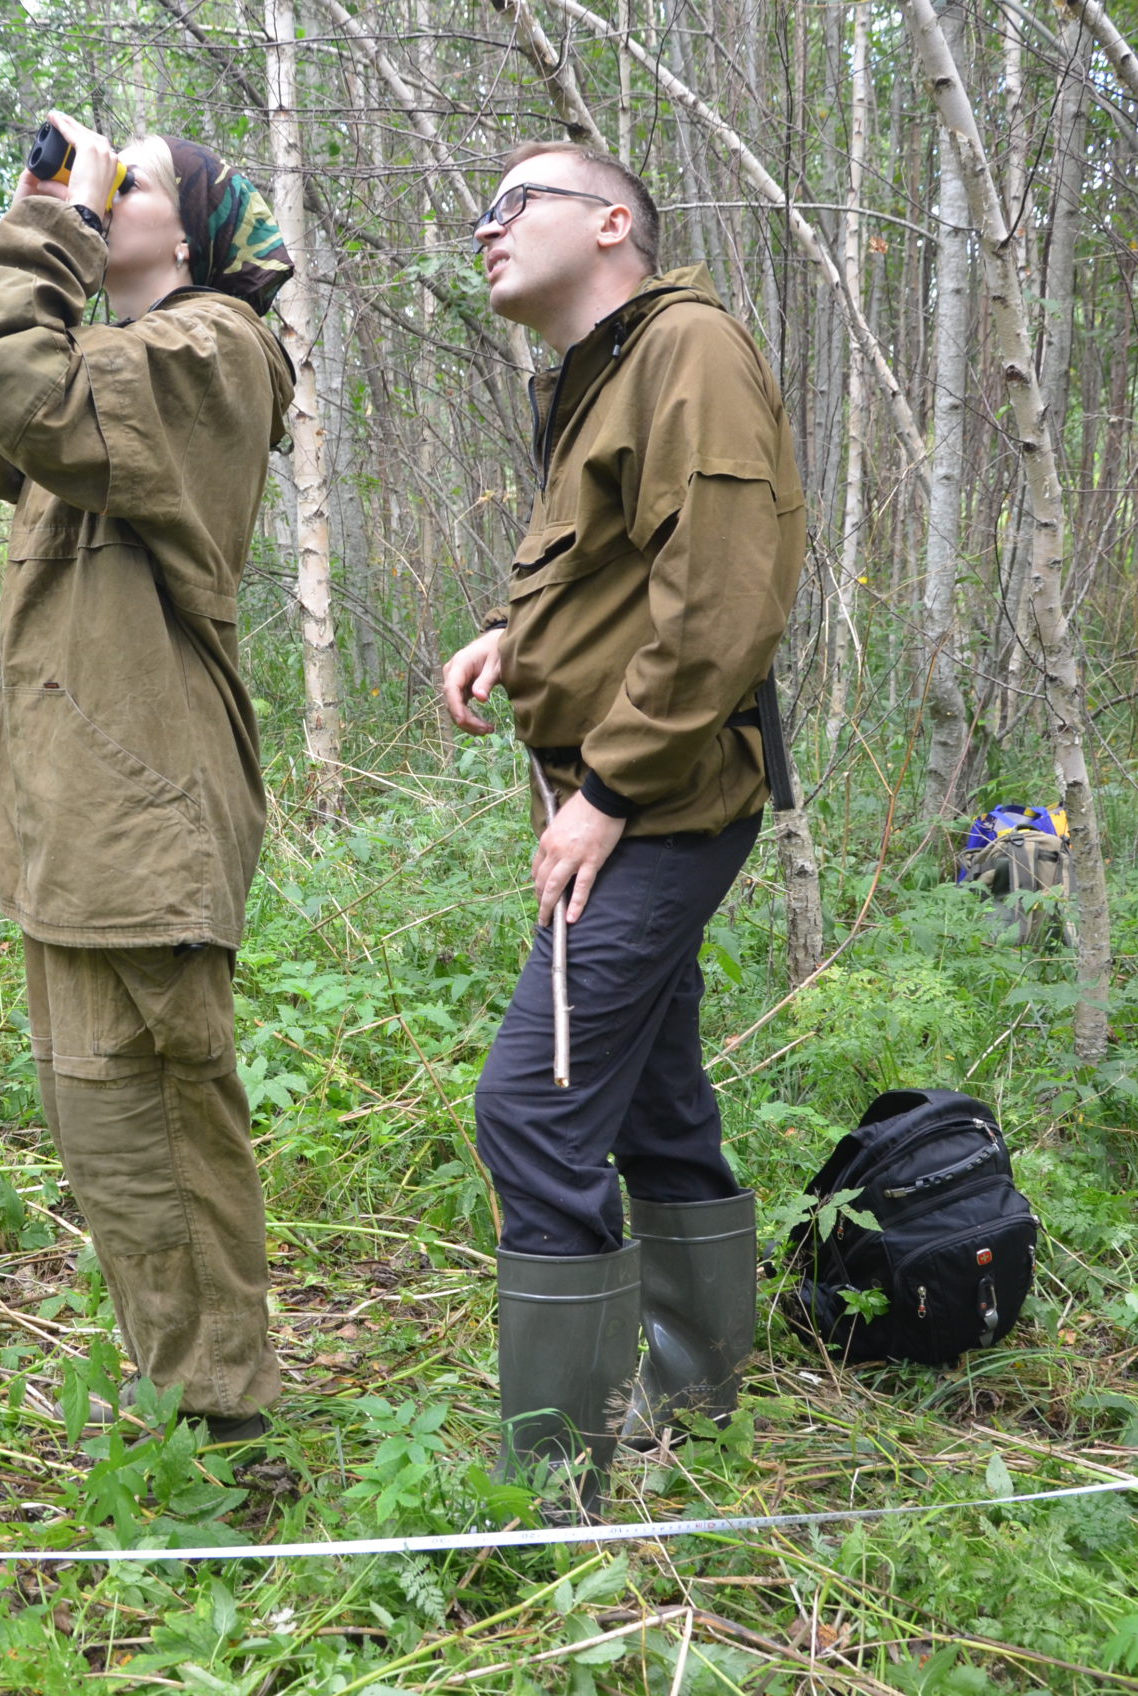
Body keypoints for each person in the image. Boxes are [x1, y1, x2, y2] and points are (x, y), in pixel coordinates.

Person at [0, 112, 295, 1448]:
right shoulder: (104, 358)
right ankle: (179, 1385)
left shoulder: (215, 352)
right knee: (109, 1130)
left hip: (149, 800)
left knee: (165, 1126)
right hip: (82, 809)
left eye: (134, 177)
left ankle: (218, 1413)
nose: (101, 189)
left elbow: (27, 392)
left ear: (185, 230)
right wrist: (37, 218)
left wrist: (52, 229)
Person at [441, 143, 804, 1513]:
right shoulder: (600, 374)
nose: (483, 228)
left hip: (659, 804)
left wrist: (608, 794)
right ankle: (693, 1393)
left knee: (530, 1111)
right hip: (633, 795)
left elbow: (722, 598)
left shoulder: (688, 348)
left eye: (511, 202)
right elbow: (619, 562)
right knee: (653, 1099)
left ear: (610, 223)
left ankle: (558, 1480)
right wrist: (505, 631)